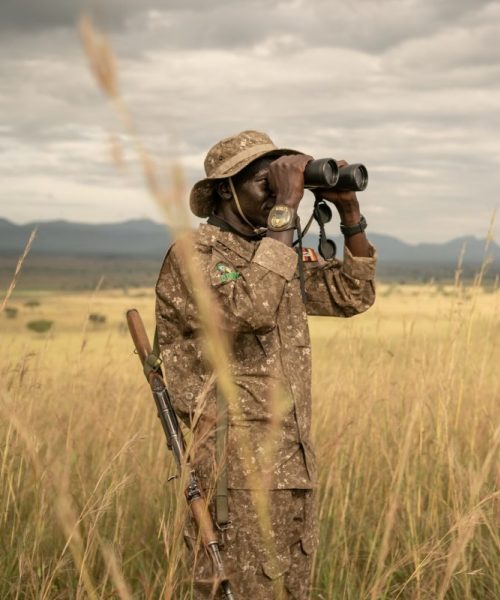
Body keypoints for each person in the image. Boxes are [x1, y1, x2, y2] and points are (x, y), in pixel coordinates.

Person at [154, 130, 377, 598]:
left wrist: (350, 216)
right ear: (223, 190)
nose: (279, 194)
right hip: (233, 478)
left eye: (282, 183)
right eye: (266, 182)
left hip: (293, 468)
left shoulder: (271, 256)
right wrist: (285, 214)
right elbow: (248, 309)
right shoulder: (195, 255)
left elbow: (352, 295)